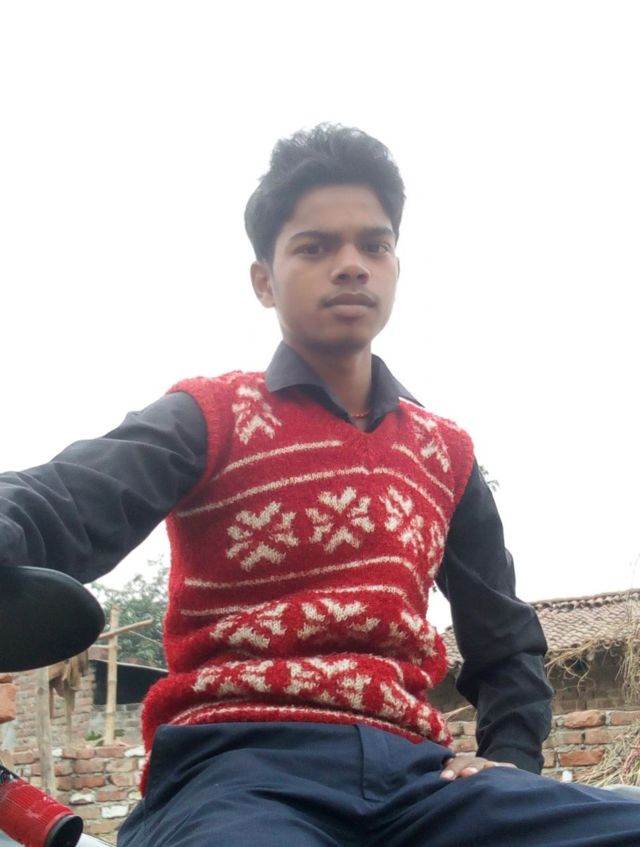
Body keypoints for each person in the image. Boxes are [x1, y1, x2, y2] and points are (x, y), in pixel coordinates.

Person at [1, 124, 638, 846]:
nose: (351, 266)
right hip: (237, 768)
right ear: (264, 280)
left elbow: (505, 639)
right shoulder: (210, 418)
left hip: (419, 782)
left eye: (374, 245)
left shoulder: (446, 454)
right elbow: (60, 502)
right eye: (315, 247)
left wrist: (511, 759)